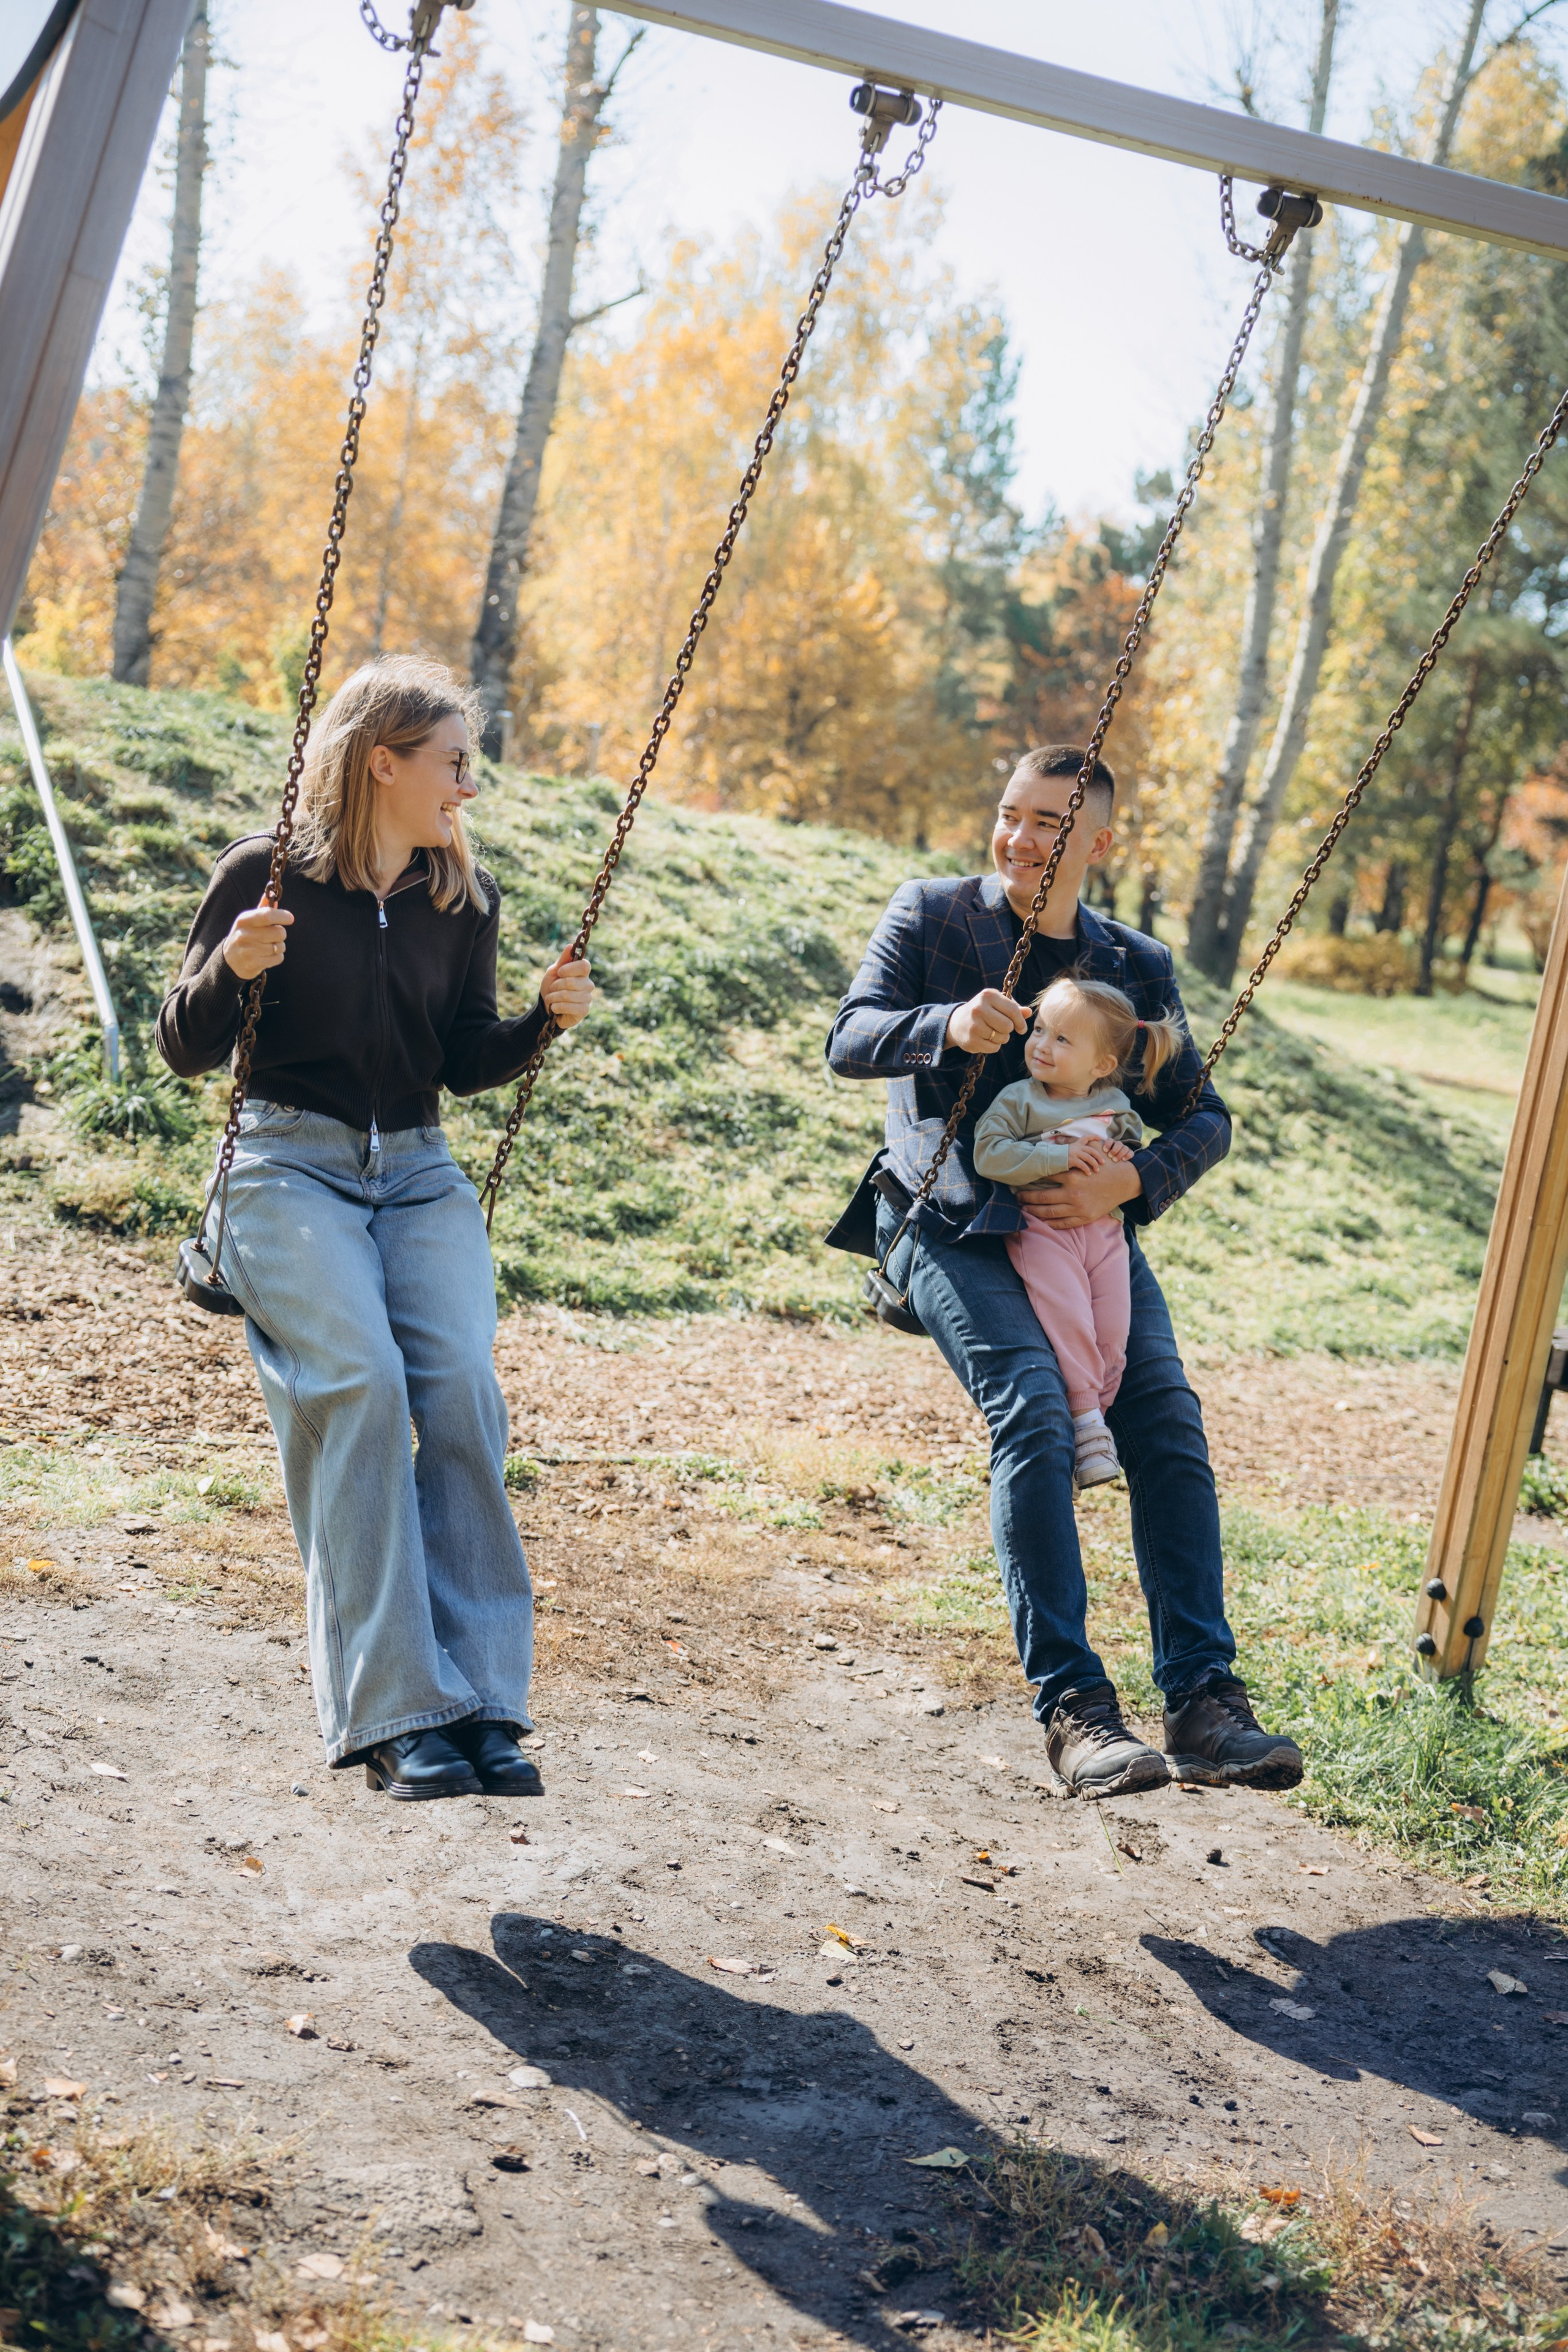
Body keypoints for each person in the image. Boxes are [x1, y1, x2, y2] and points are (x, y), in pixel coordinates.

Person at [825, 743, 1303, 1800]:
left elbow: (1205, 1119)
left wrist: (1127, 1187)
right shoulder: (935, 915)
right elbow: (848, 1038)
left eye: (1048, 821)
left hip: (1086, 1234)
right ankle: (1078, 1712)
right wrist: (941, 1025)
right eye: (1009, 813)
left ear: (1097, 840)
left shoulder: (1133, 968)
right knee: (1035, 1413)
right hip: (948, 1221)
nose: (1020, 836)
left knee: (1167, 1421)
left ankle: (1202, 1700)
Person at [157, 656, 595, 1803]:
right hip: (285, 1165)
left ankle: (486, 1702)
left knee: (454, 1385)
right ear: (381, 761)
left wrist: (536, 1027)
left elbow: (460, 1060)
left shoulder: (464, 898)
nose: (470, 789)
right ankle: (396, 1708)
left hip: (415, 1169)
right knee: (361, 1381)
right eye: (455, 764)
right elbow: (182, 1044)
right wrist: (232, 970)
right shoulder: (267, 876)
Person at [973, 976, 1183, 1491]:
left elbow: (1129, 1150)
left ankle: (1093, 1425)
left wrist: (1120, 1159)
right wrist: (1060, 1155)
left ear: (1102, 1066)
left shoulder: (1115, 1106)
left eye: (1062, 1039)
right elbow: (989, 1154)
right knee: (1067, 1317)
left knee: (1112, 1330)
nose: (1042, 1045)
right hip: (1044, 1230)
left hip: (1106, 1237)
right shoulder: (1020, 1099)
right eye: (1040, 1030)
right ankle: (1085, 1416)